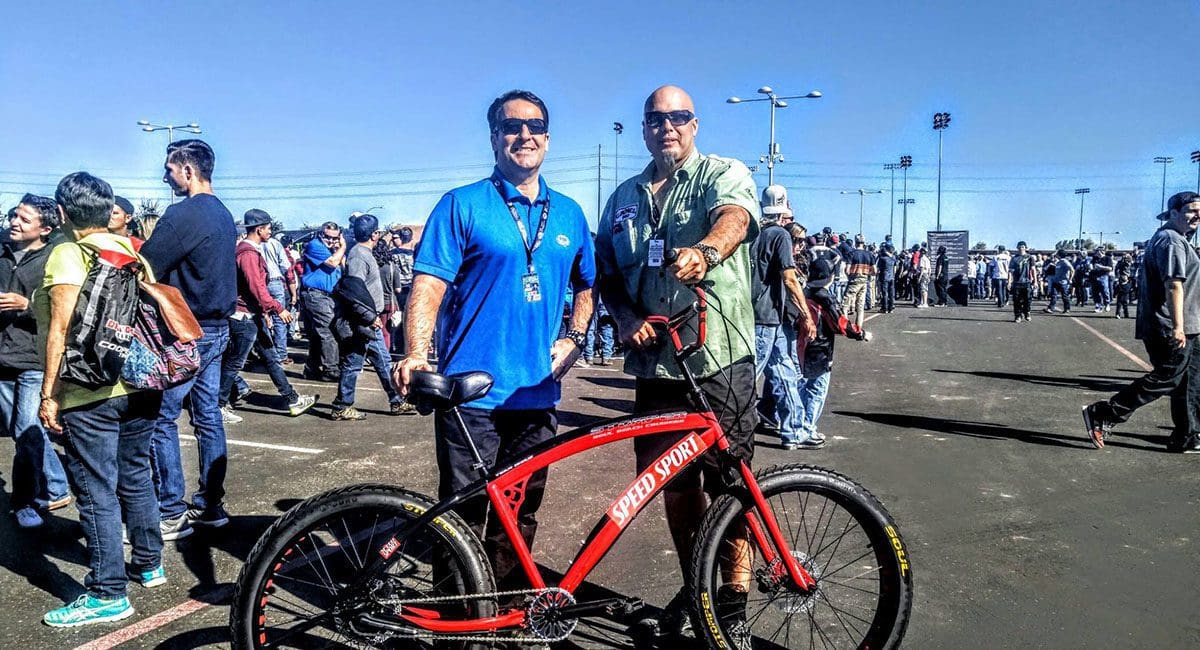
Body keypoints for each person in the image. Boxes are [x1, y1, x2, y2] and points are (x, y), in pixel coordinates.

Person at [395, 89, 595, 591]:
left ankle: (504, 615)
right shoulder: (462, 205)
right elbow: (429, 284)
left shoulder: (569, 213)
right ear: (494, 138)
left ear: (548, 138)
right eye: (511, 126)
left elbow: (589, 284)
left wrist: (575, 335)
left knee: (521, 513)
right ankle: (456, 620)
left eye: (534, 126)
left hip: (537, 393)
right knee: (461, 516)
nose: (523, 135)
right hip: (473, 392)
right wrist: (416, 352)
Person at [593, 85, 759, 643]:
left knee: (731, 482)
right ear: (643, 128)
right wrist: (621, 318)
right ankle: (697, 586)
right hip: (655, 364)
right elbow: (608, 278)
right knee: (676, 486)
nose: (668, 126)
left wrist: (706, 251)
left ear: (695, 124)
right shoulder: (622, 198)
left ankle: (731, 601)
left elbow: (734, 218)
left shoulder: (722, 172)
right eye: (656, 118)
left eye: (679, 116)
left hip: (718, 359)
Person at [38, 172, 166, 627]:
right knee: (135, 474)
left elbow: (60, 329)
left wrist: (50, 393)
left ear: (61, 213)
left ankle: (108, 592)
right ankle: (149, 562)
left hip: (88, 389)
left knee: (95, 491)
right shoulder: (132, 252)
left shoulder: (69, 253)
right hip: (142, 385)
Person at [141, 139, 237, 536]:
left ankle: (170, 510)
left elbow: (147, 263)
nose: (165, 175)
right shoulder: (223, 214)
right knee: (208, 416)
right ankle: (211, 503)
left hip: (186, 329)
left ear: (188, 170)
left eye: (169, 168)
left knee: (162, 419)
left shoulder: (183, 215)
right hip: (217, 327)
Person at [1082, 192, 1200, 453]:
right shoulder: (1171, 241)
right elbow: (1174, 286)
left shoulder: (1179, 240)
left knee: (1189, 383)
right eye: (1192, 210)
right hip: (1170, 325)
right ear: (1173, 213)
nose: (1197, 215)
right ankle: (1106, 412)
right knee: (1168, 378)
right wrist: (1178, 326)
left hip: (1189, 325)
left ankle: (1188, 435)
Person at [0, 194, 69, 529]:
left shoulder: (51, 259)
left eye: (24, 219)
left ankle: (27, 501)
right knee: (19, 432)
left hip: (32, 358)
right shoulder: (1, 252)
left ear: (45, 228)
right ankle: (56, 485)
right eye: (15, 215)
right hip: (1, 357)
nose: (15, 222)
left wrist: (25, 305)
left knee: (27, 430)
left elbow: (60, 312)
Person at [217, 209, 316, 424]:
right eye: (269, 228)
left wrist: (264, 312)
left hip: (254, 315)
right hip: (243, 317)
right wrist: (276, 308)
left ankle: (292, 399)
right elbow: (256, 287)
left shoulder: (250, 251)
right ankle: (219, 405)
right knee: (234, 363)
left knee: (271, 358)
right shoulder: (247, 253)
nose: (271, 231)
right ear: (259, 229)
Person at [751, 185, 817, 449]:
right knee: (750, 376)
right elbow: (789, 278)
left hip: (764, 316)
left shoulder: (753, 233)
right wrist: (806, 316)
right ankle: (725, 427)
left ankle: (794, 430)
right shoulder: (779, 235)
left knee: (784, 372)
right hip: (767, 317)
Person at [330, 213, 412, 419]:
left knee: (380, 361)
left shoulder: (364, 253)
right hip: (363, 321)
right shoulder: (359, 255)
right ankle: (342, 406)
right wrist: (367, 317)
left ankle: (396, 401)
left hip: (369, 319)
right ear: (375, 234)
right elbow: (352, 291)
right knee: (355, 363)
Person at [300, 221, 346, 382]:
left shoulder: (333, 250)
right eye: (327, 237)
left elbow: (343, 266)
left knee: (316, 334)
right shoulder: (315, 246)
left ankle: (312, 367)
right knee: (328, 331)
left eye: (335, 238)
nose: (331, 241)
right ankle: (331, 369)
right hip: (316, 295)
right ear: (321, 234)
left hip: (329, 295)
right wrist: (343, 247)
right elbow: (332, 263)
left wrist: (338, 250)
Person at [259, 227, 295, 364]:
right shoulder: (275, 244)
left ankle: (267, 353)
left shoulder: (252, 244)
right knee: (280, 318)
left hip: (260, 282)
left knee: (263, 317)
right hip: (275, 280)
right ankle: (281, 354)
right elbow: (286, 265)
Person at [842, 234, 876, 324]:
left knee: (845, 304)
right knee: (860, 306)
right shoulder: (869, 254)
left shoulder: (852, 253)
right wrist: (867, 273)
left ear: (855, 242)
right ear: (864, 242)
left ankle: (845, 326)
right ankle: (858, 326)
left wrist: (850, 275)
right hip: (864, 280)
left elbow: (847, 270)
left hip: (854, 280)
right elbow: (875, 271)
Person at [1008, 241, 1034, 322]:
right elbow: (1010, 271)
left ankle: (1027, 312)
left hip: (1027, 281)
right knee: (1016, 300)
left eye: (1023, 247)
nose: (1021, 249)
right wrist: (1009, 282)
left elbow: (1033, 270)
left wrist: (1035, 281)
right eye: (1019, 247)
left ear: (1025, 248)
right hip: (1017, 282)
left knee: (1028, 299)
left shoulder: (1030, 257)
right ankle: (1018, 315)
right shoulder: (1014, 258)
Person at [877, 244, 897, 313]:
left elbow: (878, 269)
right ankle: (891, 307)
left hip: (884, 277)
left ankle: (884, 308)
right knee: (891, 293)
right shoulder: (893, 258)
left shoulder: (882, 258)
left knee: (884, 293)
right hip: (892, 277)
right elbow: (895, 269)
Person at [1114, 252, 1134, 319]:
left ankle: (1125, 314)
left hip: (1127, 280)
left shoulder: (1129, 263)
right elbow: (1116, 269)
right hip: (1122, 280)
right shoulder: (1121, 263)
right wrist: (1117, 277)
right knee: (1120, 299)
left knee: (1124, 300)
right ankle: (1119, 313)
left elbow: (1128, 264)